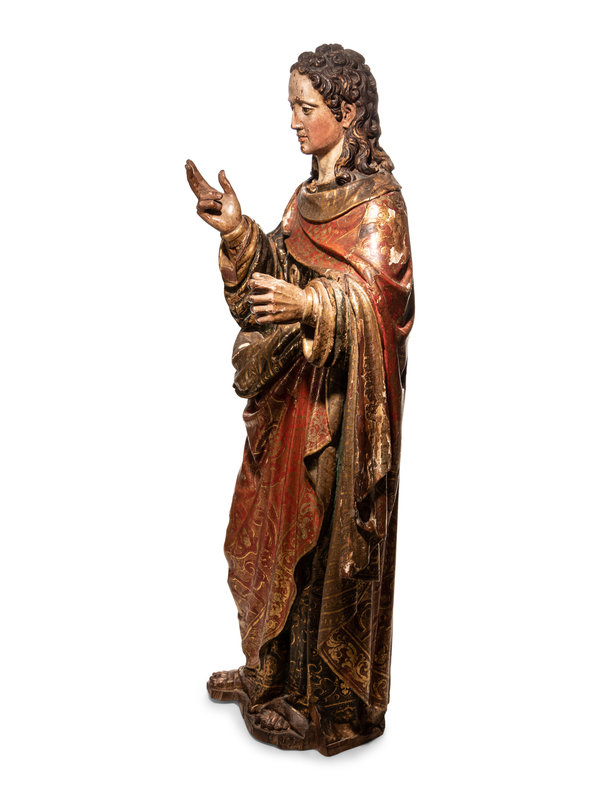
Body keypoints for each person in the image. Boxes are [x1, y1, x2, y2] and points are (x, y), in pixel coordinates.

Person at [186, 43, 414, 756]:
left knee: (323, 548)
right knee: (273, 529)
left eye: (304, 107)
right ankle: (269, 672)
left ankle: (323, 702)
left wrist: (311, 305)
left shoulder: (379, 206)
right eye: (292, 105)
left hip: (340, 416)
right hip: (290, 401)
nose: (292, 120)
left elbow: (383, 306)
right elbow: (278, 279)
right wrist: (238, 233)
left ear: (345, 111)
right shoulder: (305, 197)